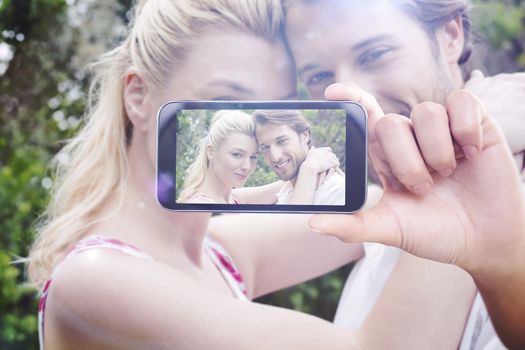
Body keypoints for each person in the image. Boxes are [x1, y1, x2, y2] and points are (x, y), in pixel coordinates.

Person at [28, 0, 488, 349]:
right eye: (229, 98)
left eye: (277, 104)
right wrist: (484, 144)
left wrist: (464, 112)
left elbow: (390, 207)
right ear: (139, 97)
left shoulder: (219, 252)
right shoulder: (95, 279)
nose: (252, 132)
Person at [284, 0, 525, 348]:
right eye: (319, 76)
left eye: (375, 54)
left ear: (450, 36)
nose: (351, 94)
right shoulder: (370, 205)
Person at [253, 109, 346, 205]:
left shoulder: (337, 193)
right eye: (265, 147)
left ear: (305, 136)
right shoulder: (286, 190)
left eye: (282, 141)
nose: (275, 157)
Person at [178, 110, 259, 204]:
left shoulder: (232, 199)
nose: (247, 167)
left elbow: (278, 187)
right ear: (211, 152)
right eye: (237, 155)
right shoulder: (201, 205)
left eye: (253, 157)